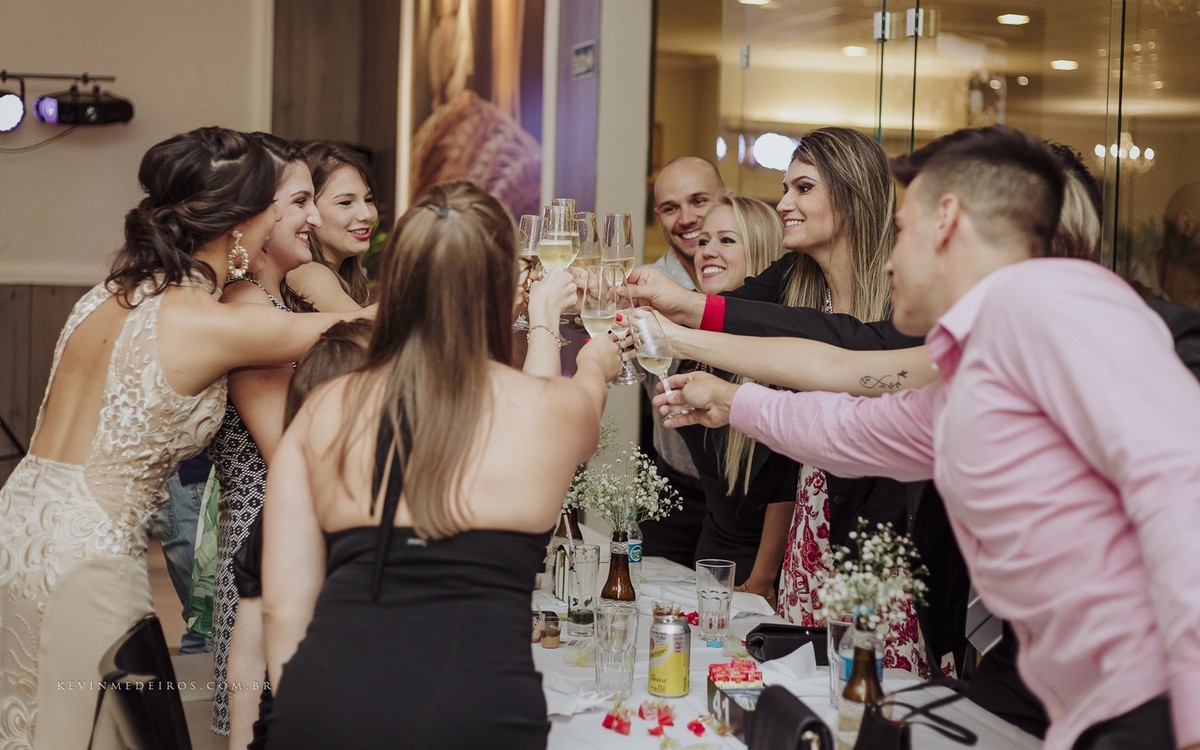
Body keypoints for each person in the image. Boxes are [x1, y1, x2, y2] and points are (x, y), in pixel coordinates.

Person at [658, 125, 1200, 750]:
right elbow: (850, 428)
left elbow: (1176, 490)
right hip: (1062, 690)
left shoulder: (1060, 309)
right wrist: (732, 400)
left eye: (901, 233)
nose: (888, 260)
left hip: (1150, 700)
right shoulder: (981, 358)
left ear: (946, 223)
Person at [0, 126, 372, 750]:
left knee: (46, 726)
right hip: (87, 561)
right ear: (238, 227)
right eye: (270, 210)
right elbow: (364, 332)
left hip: (19, 531)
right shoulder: (209, 322)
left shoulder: (112, 294)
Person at [261, 182, 620, 749]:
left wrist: (312, 706)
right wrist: (594, 358)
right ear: (506, 286)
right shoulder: (559, 411)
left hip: (324, 703)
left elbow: (282, 606)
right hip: (480, 712)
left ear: (395, 282)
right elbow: (576, 392)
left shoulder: (326, 407)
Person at [632, 127, 941, 677]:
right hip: (812, 518)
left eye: (802, 189)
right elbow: (743, 310)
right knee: (801, 683)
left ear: (848, 197)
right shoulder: (796, 276)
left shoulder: (904, 293)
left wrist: (684, 330)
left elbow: (841, 350)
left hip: (881, 539)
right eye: (785, 189)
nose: (784, 205)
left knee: (872, 699)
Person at [207, 132, 323, 745]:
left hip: (293, 544)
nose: (317, 218)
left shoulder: (279, 301)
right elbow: (287, 449)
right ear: (259, 210)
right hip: (266, 555)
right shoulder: (247, 304)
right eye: (301, 202)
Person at [676, 193, 795, 601]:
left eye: (726, 240)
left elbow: (787, 482)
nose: (707, 250)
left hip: (762, 567)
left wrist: (764, 576)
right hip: (711, 552)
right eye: (704, 240)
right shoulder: (699, 343)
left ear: (760, 252)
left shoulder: (777, 352)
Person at [637, 156, 724, 569]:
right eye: (671, 208)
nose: (686, 219)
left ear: (727, 200)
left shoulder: (764, 283)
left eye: (699, 200)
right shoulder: (644, 289)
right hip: (673, 487)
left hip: (748, 496)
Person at [286, 141, 379, 312]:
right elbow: (367, 334)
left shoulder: (347, 277)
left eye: (368, 200)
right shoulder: (309, 273)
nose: (366, 215)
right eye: (345, 202)